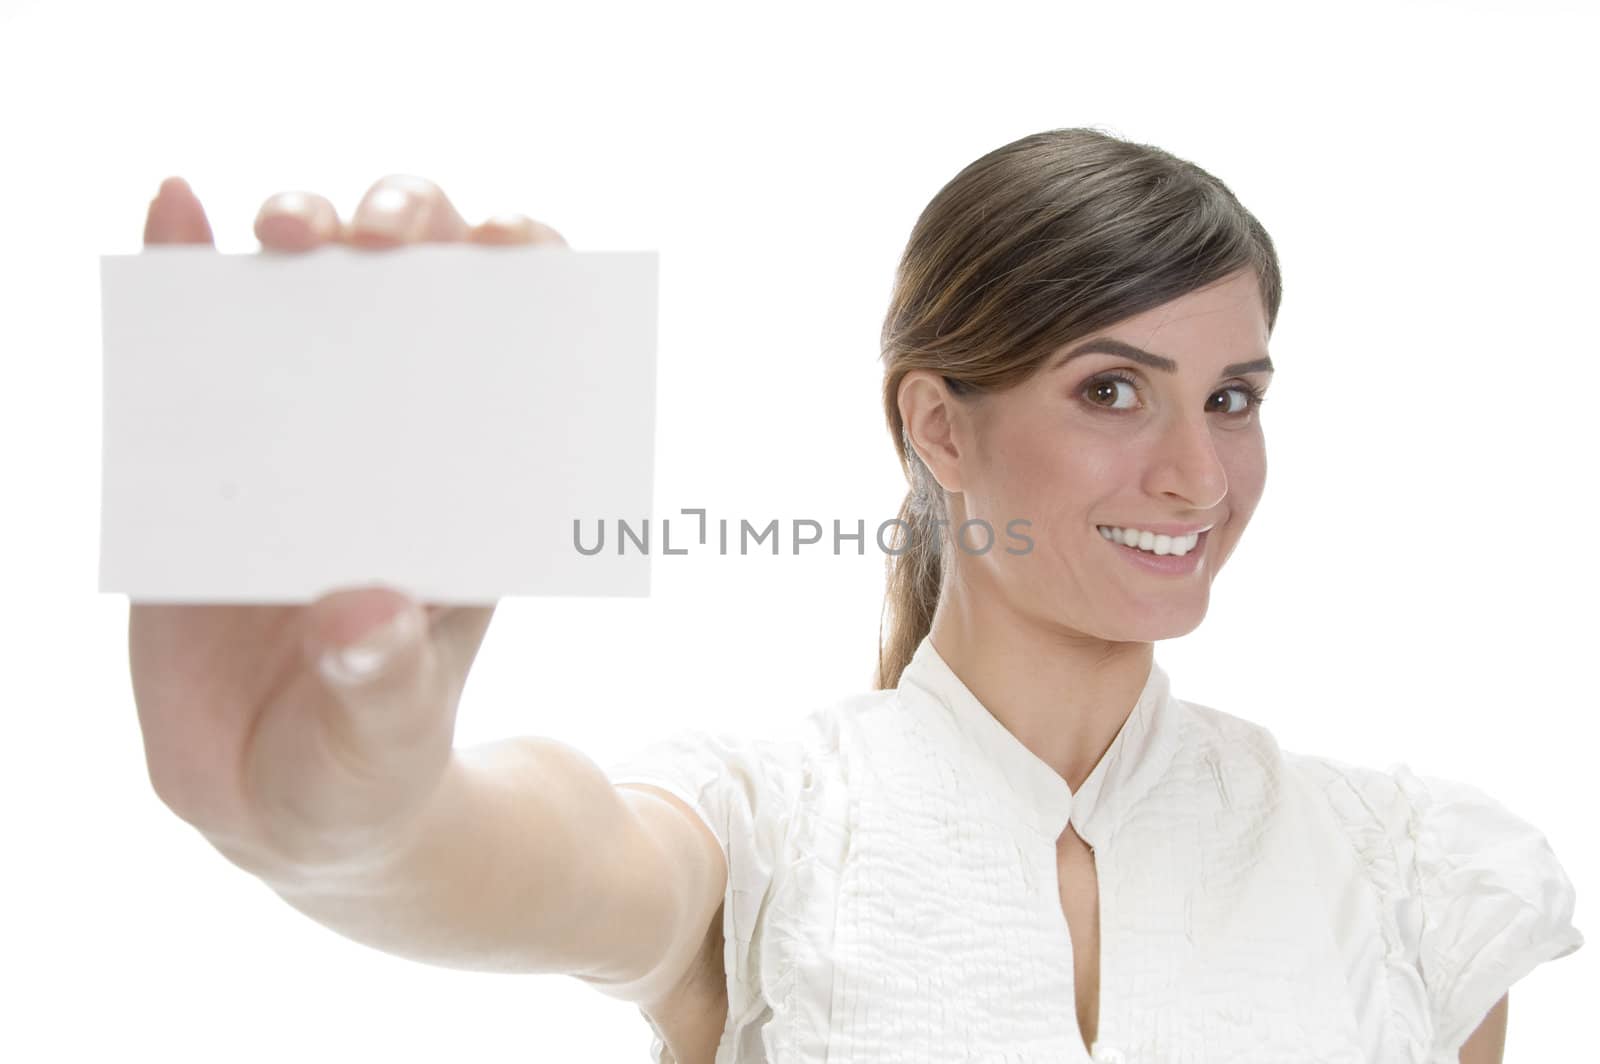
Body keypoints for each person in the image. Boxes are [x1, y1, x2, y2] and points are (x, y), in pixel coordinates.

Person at [131, 134, 1581, 1064]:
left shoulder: (1403, 871)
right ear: (939, 428)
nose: (1199, 475)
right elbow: (553, 863)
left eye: (1236, 396)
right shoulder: (774, 820)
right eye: (1114, 390)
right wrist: (338, 820)